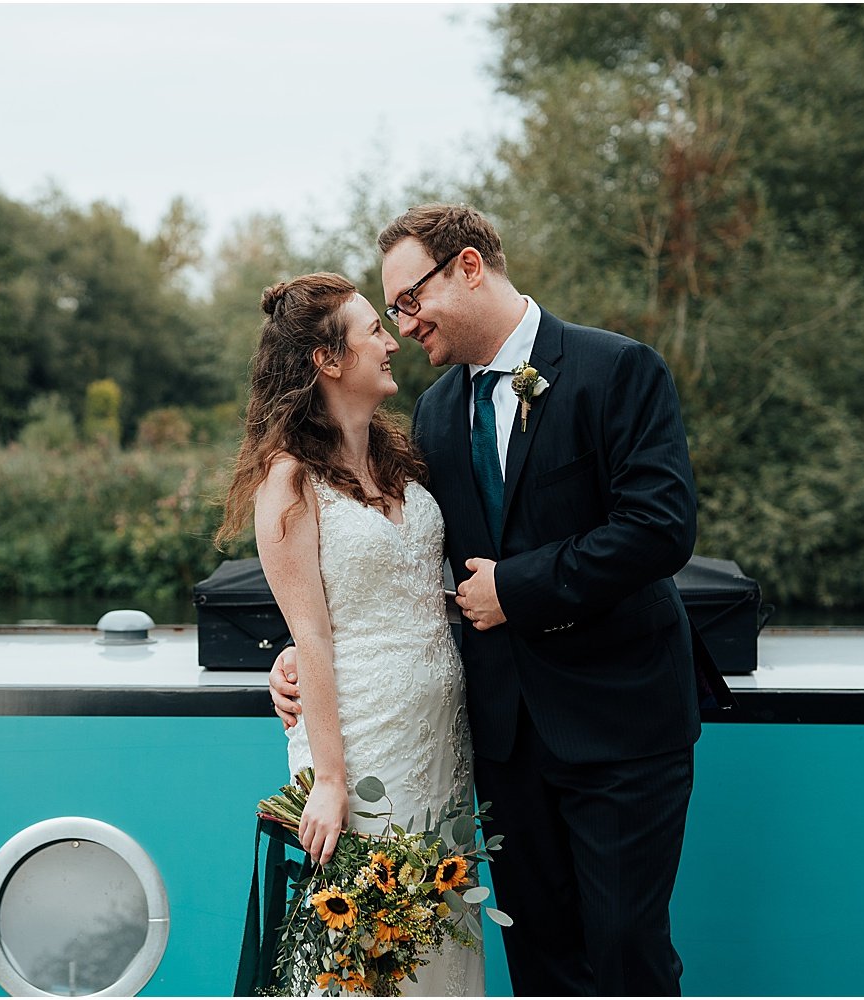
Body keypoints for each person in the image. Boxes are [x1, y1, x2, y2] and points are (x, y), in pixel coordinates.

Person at [270, 204, 701, 996]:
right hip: (501, 741)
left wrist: (518, 586)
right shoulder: (434, 414)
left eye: (408, 299)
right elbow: (400, 563)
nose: (403, 325)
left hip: (620, 726)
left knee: (626, 954)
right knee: (539, 960)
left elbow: (660, 530)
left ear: (469, 266)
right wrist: (305, 646)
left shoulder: (618, 369)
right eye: (390, 313)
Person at [218, 272, 485, 996]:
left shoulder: (401, 459)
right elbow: (313, 632)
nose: (391, 341)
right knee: (364, 954)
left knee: (439, 943)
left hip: (439, 746)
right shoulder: (290, 481)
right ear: (328, 361)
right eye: (373, 329)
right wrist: (331, 781)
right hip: (363, 743)